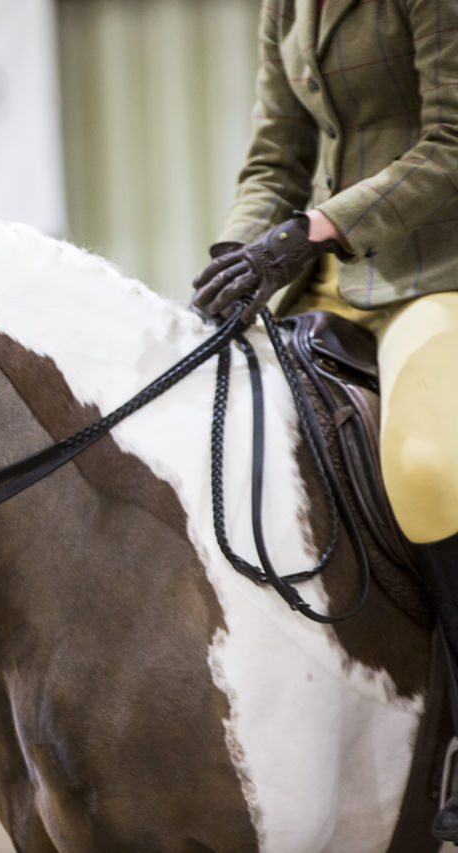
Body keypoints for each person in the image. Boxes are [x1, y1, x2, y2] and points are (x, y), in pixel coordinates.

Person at [190, 0, 458, 839]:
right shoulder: (284, 6)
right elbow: (275, 159)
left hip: (436, 272)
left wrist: (314, 228)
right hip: (324, 280)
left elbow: (451, 145)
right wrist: (239, 260)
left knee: (430, 463)